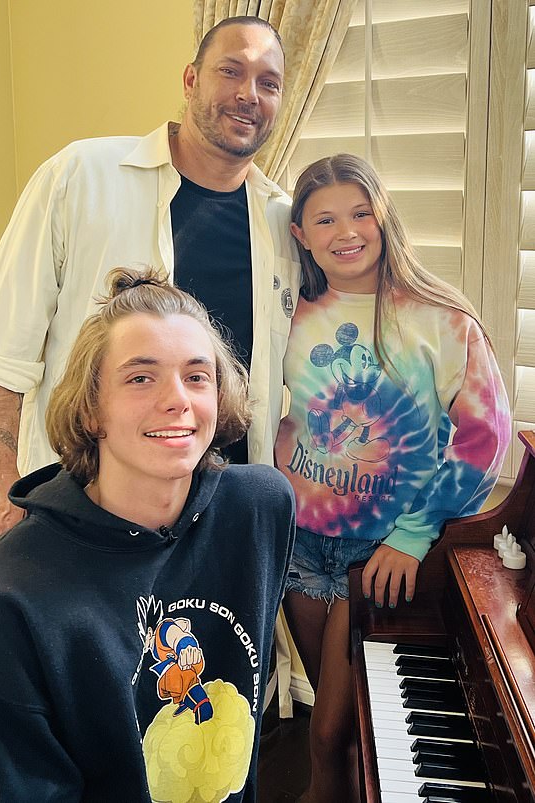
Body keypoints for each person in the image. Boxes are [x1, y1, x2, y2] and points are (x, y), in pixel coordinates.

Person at [0, 268, 296, 802]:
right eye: (141, 377)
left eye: (197, 376)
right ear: (91, 408)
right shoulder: (0, 604)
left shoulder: (258, 509)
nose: (178, 400)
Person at [0, 15, 301, 553]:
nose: (248, 95)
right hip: (83, 505)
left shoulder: (285, 224)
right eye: (230, 71)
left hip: (217, 524)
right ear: (190, 81)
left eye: (268, 82)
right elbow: (2, 349)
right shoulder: (81, 177)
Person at [274, 154, 511, 803]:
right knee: (339, 720)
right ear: (300, 233)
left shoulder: (439, 316)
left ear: (384, 217)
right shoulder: (287, 313)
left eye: (360, 212)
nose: (345, 231)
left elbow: (484, 440)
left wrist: (412, 534)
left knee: (328, 734)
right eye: (325, 218)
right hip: (300, 546)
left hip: (379, 553)